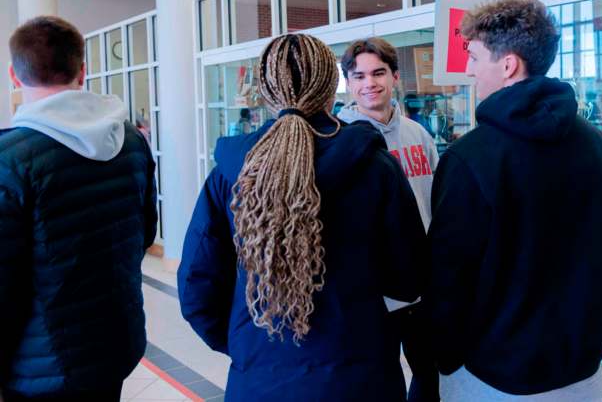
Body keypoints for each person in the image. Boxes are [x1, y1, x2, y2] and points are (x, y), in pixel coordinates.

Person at [178, 33, 427, 401]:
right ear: (332, 88)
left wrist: (245, 343)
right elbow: (408, 279)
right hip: (359, 372)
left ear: (266, 90)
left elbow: (197, 287)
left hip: (261, 377)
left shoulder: (230, 173)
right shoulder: (375, 167)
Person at [424, 0, 602, 401]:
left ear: (508, 64)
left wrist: (446, 358)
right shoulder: (601, 146)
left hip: (492, 376)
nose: (469, 71)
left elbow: (447, 283)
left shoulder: (468, 158)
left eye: (473, 57)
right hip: (583, 372)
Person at [0, 16, 158, 401]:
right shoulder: (130, 141)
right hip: (114, 343)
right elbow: (145, 233)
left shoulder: (11, 159)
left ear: (14, 76)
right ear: (82, 71)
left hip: (41, 365)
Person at [338, 37, 440, 402]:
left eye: (378, 73)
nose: (370, 83)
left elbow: (438, 205)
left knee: (432, 376)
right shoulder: (339, 140)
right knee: (377, 384)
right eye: (359, 75)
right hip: (371, 294)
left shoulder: (418, 134)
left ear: (395, 76)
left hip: (422, 286)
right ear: (348, 83)